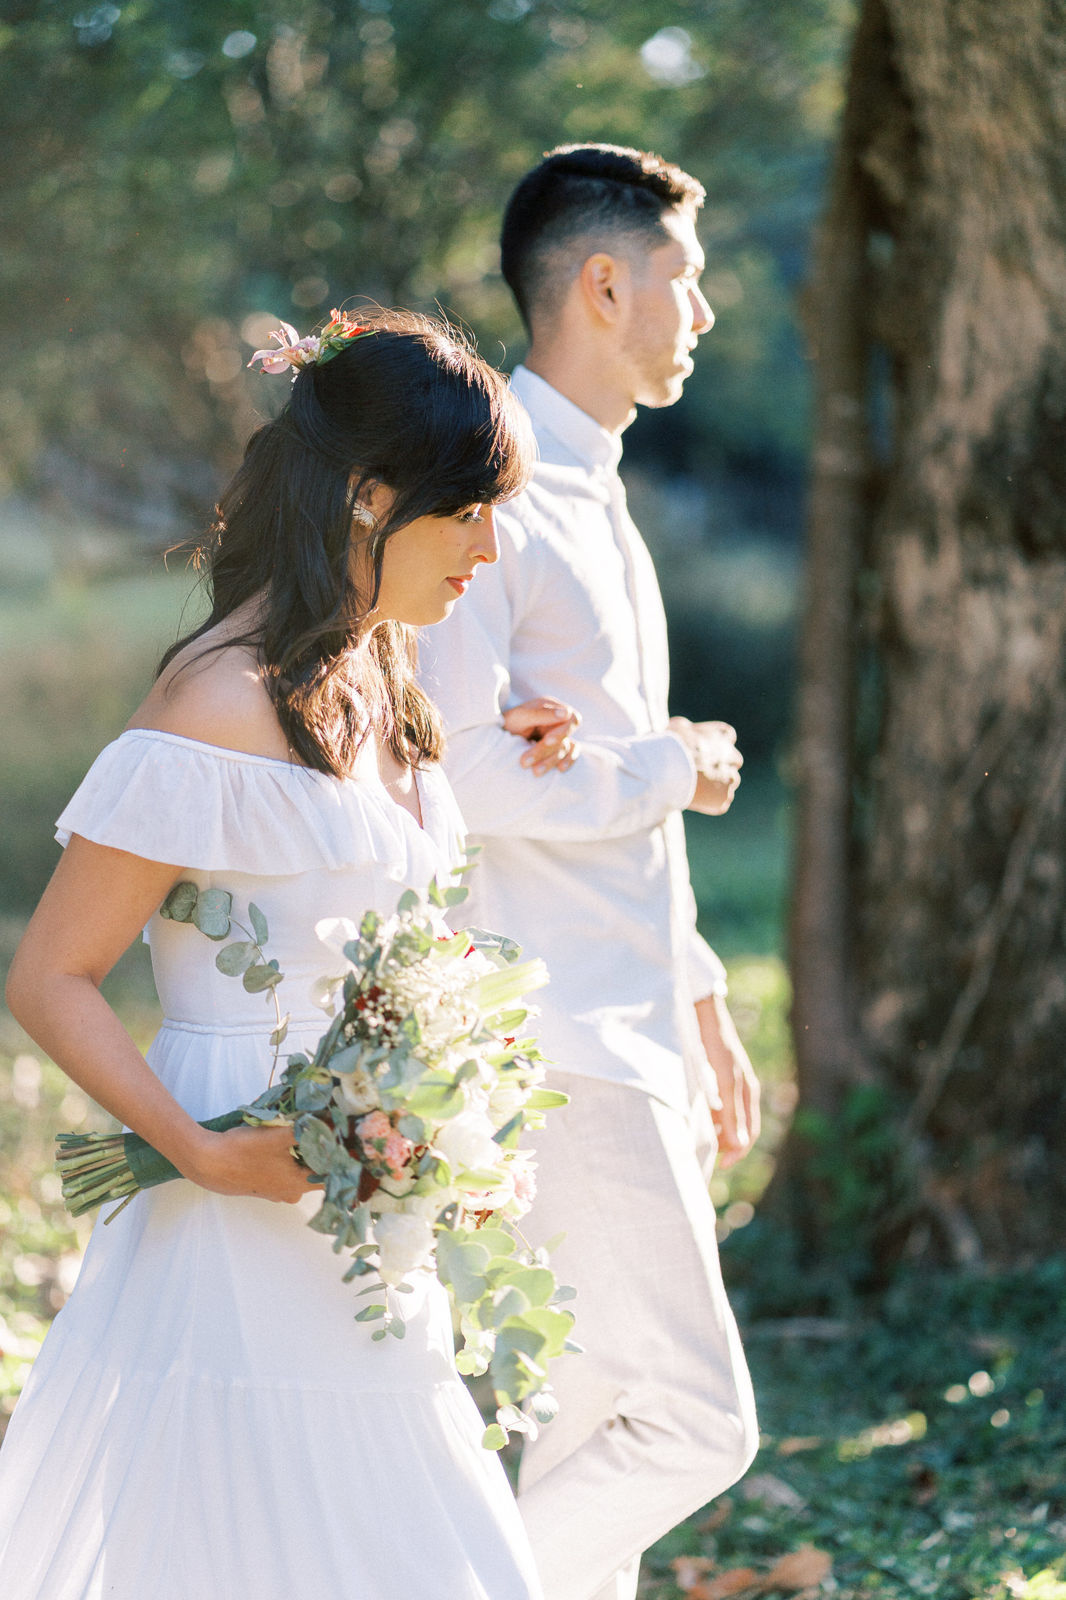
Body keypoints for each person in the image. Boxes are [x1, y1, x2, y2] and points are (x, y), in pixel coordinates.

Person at [0, 308, 578, 1600]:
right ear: (372, 498)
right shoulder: (214, 704)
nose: (492, 548)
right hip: (236, 1203)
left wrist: (447, 1108)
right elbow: (48, 974)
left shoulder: (389, 672)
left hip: (368, 1222)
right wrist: (200, 1150)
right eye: (469, 512)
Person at [418, 145, 761, 1600]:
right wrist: (667, 769)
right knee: (690, 1421)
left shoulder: (600, 491)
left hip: (631, 1015)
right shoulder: (492, 496)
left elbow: (598, 785)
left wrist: (698, 997)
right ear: (606, 282)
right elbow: (464, 776)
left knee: (588, 1431)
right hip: (552, 1029)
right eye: (686, 280)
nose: (704, 311)